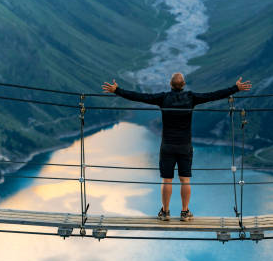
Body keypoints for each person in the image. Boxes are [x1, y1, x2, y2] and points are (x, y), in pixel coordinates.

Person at [102, 73, 251, 221]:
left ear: (170, 85)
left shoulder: (163, 98)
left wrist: (117, 90)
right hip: (185, 145)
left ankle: (165, 212)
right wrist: (235, 88)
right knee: (185, 180)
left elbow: (140, 97)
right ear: (184, 85)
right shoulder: (191, 97)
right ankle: (185, 212)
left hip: (167, 144)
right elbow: (214, 95)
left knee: (167, 180)